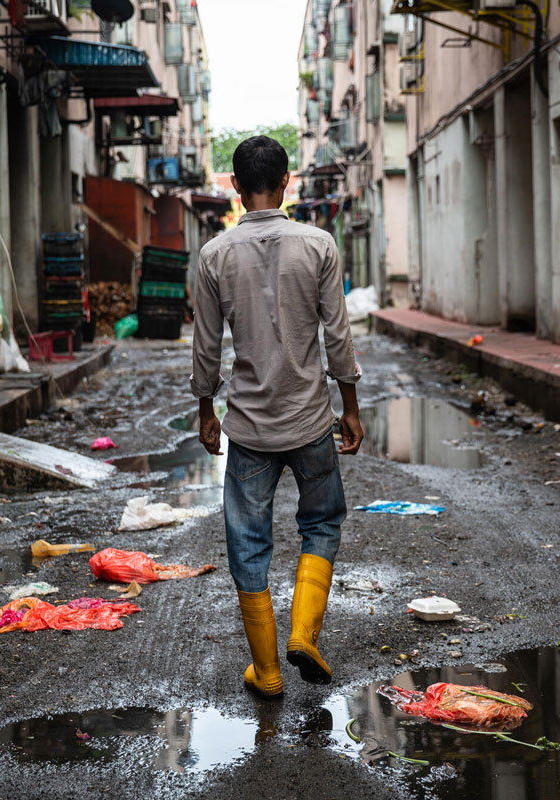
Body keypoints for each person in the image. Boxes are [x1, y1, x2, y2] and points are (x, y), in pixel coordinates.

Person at [190, 135, 364, 697]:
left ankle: (266, 672)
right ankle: (304, 634)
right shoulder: (318, 245)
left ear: (236, 187)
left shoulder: (215, 255)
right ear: (287, 181)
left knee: (247, 541)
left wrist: (205, 410)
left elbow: (207, 346)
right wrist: (350, 407)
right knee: (321, 524)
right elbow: (337, 337)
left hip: (249, 428)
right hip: (311, 419)